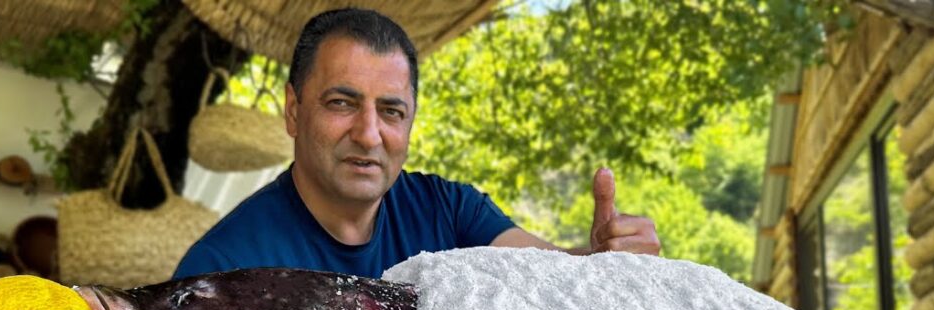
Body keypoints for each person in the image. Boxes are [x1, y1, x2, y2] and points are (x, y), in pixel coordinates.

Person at [173, 8, 660, 280]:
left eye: (391, 111)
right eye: (342, 103)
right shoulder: (219, 270)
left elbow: (551, 274)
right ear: (294, 110)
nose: (369, 134)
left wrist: (603, 260)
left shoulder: (449, 212)